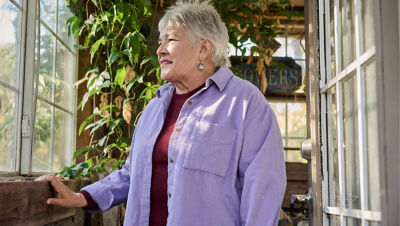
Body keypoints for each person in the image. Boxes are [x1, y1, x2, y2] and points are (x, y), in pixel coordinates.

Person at [36, 0, 287, 225]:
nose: (160, 50)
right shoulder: (155, 107)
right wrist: (83, 197)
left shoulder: (245, 104)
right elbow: (132, 173)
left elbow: (263, 191)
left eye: (171, 40)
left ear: (203, 49)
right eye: (160, 41)